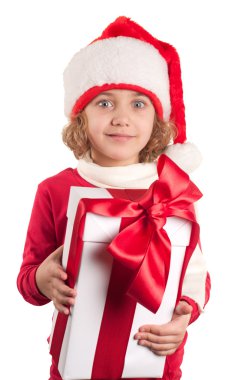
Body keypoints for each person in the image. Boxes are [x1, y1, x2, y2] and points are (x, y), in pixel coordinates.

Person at [17, 16, 210, 380]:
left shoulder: (172, 188)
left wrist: (185, 314)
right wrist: (42, 278)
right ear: (80, 118)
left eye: (139, 104)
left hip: (156, 361)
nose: (122, 118)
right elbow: (28, 278)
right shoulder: (55, 190)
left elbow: (195, 276)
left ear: (158, 119)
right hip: (76, 363)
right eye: (104, 103)